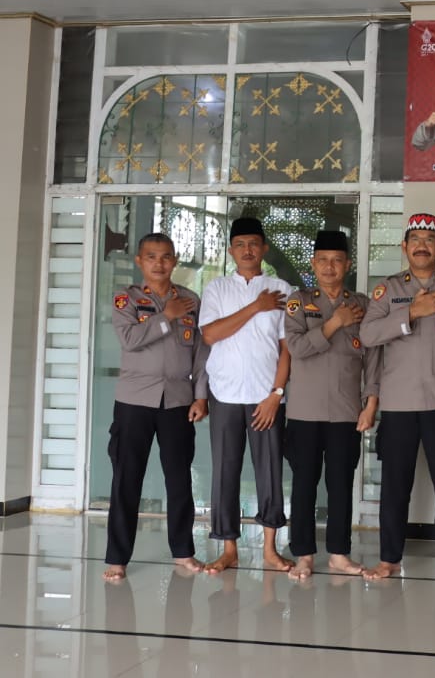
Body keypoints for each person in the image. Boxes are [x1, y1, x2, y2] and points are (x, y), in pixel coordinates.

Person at [359, 213, 435, 581]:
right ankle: (389, 558)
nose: (422, 246)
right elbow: (368, 336)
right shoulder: (387, 290)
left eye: (429, 240)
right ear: (405, 247)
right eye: (415, 239)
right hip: (398, 402)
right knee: (395, 485)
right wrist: (412, 311)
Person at [103, 232, 209, 581]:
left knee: (179, 479)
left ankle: (183, 552)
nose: (159, 263)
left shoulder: (190, 300)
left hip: (178, 401)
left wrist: (201, 395)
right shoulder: (127, 299)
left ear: (174, 260)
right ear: (139, 261)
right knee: (126, 478)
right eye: (151, 257)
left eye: (165, 257)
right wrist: (166, 316)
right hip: (134, 400)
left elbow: (201, 353)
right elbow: (129, 339)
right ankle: (117, 558)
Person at [282, 230, 381, 580]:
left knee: (341, 484)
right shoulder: (298, 302)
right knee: (304, 484)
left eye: (337, 260)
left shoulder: (362, 305)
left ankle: (339, 553)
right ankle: (304, 555)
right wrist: (336, 322)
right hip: (304, 412)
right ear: (313, 264)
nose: (329, 266)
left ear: (347, 265)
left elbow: (373, 357)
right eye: (323, 260)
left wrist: (371, 403)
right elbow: (296, 348)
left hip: (346, 411)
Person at [199, 216, 293, 574]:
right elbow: (210, 334)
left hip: (266, 397)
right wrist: (256, 306)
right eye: (240, 244)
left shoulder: (281, 289)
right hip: (224, 393)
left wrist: (276, 394)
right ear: (231, 251)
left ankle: (270, 549)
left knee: (269, 471)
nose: (247, 250)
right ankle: (229, 549)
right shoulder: (217, 288)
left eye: (254, 243)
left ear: (264, 248)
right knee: (225, 471)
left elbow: (287, 349)